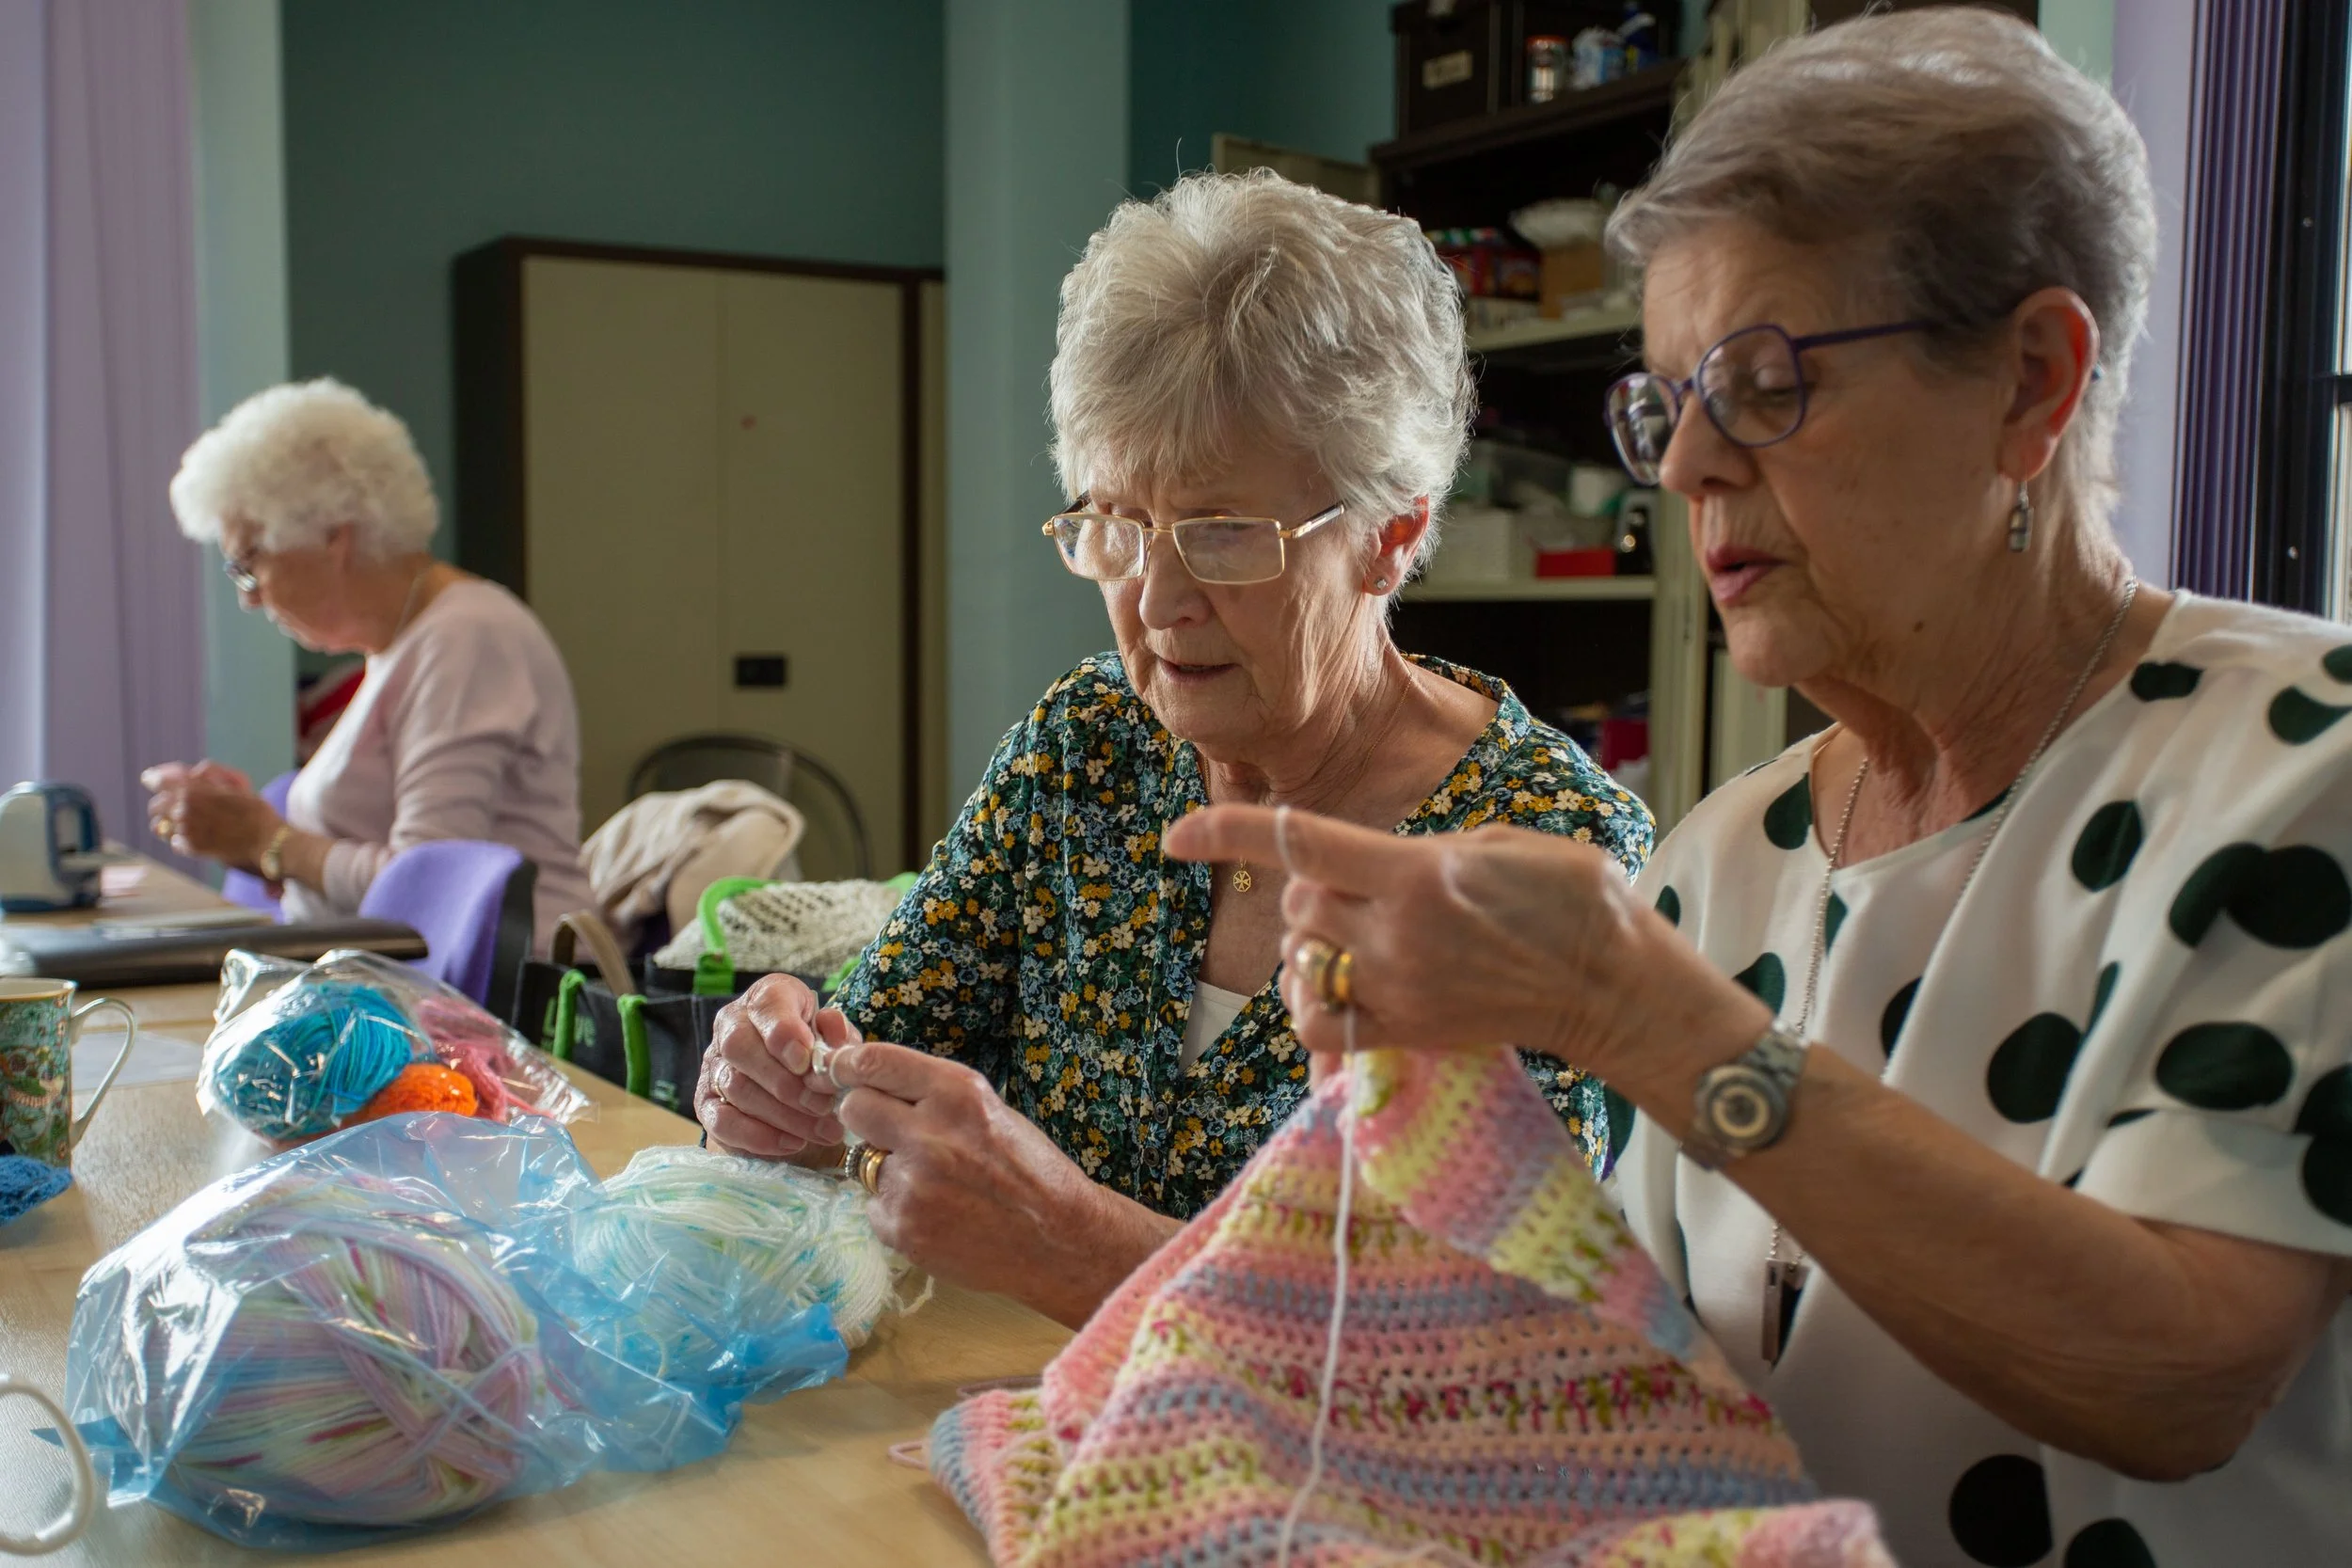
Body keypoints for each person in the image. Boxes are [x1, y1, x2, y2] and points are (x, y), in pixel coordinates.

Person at [1168, 13, 2352, 1566]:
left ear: (2030, 381)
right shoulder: (1730, 855)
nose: (1685, 469)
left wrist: (1642, 1013)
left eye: (1764, 382)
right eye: (1667, 402)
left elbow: (2178, 1376)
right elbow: (1661, 1410)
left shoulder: (2303, 769)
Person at [696, 171, 1653, 1329]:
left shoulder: (1548, 850)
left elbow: (1477, 1341)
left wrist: (1071, 1236)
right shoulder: (1088, 745)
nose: (1155, 599)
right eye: (1117, 525)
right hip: (996, 1444)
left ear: (1389, 536)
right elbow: (878, 1043)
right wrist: (786, 1074)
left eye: (1220, 533)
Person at [146, 379, 594, 951]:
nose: (249, 598)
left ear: (332, 537)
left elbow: (431, 890)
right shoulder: (403, 643)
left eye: (248, 565)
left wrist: (268, 840)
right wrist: (248, 835)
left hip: (501, 1000)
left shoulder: (468, 637)